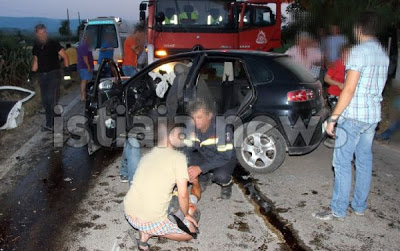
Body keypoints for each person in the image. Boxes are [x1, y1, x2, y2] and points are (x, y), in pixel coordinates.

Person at [313, 11, 389, 221]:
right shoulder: (382, 53)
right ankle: (359, 205)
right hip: (372, 116)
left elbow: (349, 89)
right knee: (364, 161)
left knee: (342, 162)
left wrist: (333, 118)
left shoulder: (358, 52)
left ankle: (337, 209)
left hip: (354, 115)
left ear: (358, 29)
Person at [124, 125, 198, 251]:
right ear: (170, 137)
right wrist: (186, 215)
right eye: (179, 134)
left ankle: (144, 235)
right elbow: (183, 194)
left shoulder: (147, 155)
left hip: (129, 213)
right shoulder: (178, 157)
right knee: (191, 232)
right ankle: (150, 232)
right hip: (150, 219)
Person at [185, 98, 236, 200]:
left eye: (199, 117)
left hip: (224, 158)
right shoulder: (190, 127)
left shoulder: (222, 129)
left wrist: (200, 168)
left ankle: (227, 184)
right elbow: (186, 150)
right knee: (185, 163)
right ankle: (204, 178)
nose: (195, 121)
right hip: (205, 155)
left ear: (209, 115)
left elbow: (224, 157)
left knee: (221, 176)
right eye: (193, 118)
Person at [32, 24, 69, 131]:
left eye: (43, 32)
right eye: (39, 33)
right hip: (42, 75)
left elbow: (65, 56)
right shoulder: (36, 45)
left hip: (54, 74)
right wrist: (32, 73)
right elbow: (35, 60)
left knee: (52, 99)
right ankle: (49, 123)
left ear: (46, 32)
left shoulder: (53, 43)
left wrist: (67, 71)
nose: (42, 35)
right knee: (45, 101)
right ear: (36, 34)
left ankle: (57, 123)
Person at [77, 33, 94, 101]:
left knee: (86, 80)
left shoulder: (82, 46)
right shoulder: (85, 46)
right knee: (84, 80)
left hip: (82, 66)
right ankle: (83, 96)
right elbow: (85, 57)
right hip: (84, 66)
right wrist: (88, 66)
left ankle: (84, 93)